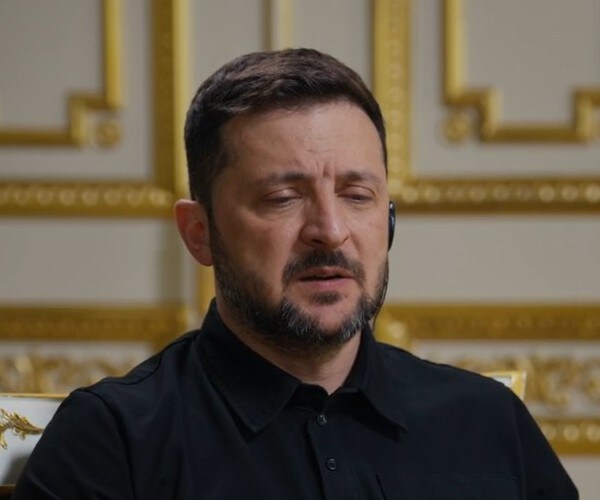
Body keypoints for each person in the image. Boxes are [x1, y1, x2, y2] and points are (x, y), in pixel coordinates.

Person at [13, 48, 577, 499]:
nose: (330, 230)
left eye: (357, 195)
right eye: (283, 198)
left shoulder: (486, 418)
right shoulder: (113, 439)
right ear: (199, 232)